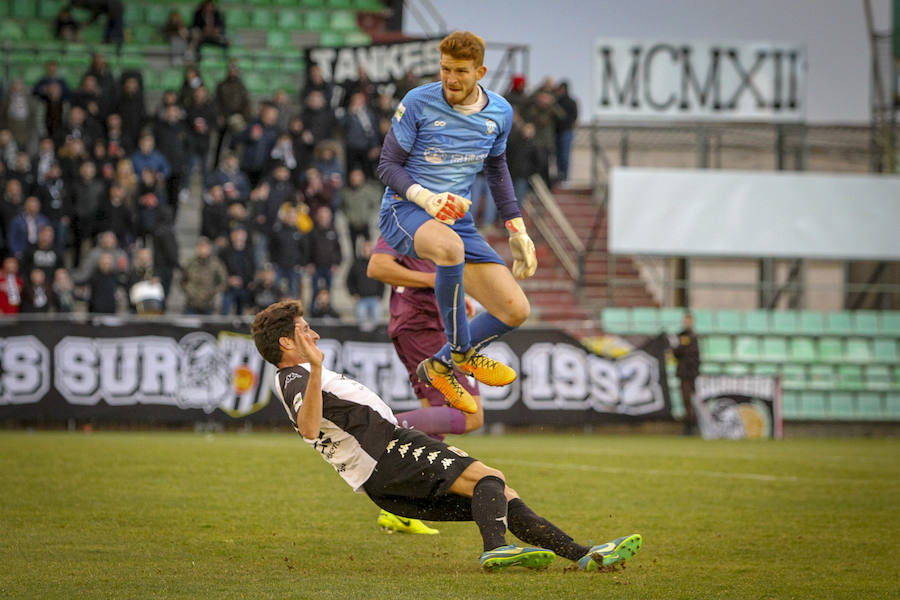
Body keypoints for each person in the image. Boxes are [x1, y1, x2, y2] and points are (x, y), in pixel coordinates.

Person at [250, 300, 643, 572]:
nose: (314, 335)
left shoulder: (296, 377)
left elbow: (345, 423)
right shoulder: (297, 376)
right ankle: (496, 550)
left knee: (498, 496)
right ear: (287, 343)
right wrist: (317, 368)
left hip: (381, 474)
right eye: (304, 331)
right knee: (488, 477)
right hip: (388, 456)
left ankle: (584, 555)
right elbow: (307, 426)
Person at [375, 31, 538, 415]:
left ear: (480, 71)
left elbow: (497, 169)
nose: (450, 79)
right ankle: (464, 354)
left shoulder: (499, 112)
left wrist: (516, 228)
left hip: (456, 221)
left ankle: (440, 364)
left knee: (515, 309)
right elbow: (387, 165)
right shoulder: (418, 102)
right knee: (450, 249)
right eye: (445, 69)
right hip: (405, 210)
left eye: (461, 71)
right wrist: (426, 197)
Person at [345, 240, 384, 332]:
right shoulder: (356, 264)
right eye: (365, 249)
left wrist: (380, 295)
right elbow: (349, 281)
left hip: (375, 299)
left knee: (377, 324)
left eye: (369, 249)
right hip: (361, 299)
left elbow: (382, 280)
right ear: (362, 251)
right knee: (361, 325)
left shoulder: (377, 264)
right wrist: (353, 293)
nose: (367, 251)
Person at [673, 312, 702, 435]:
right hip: (685, 373)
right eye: (686, 321)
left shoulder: (691, 337)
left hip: (689, 373)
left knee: (690, 401)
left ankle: (692, 426)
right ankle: (690, 426)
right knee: (687, 401)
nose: (687, 323)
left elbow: (680, 352)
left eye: (688, 321)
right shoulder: (683, 336)